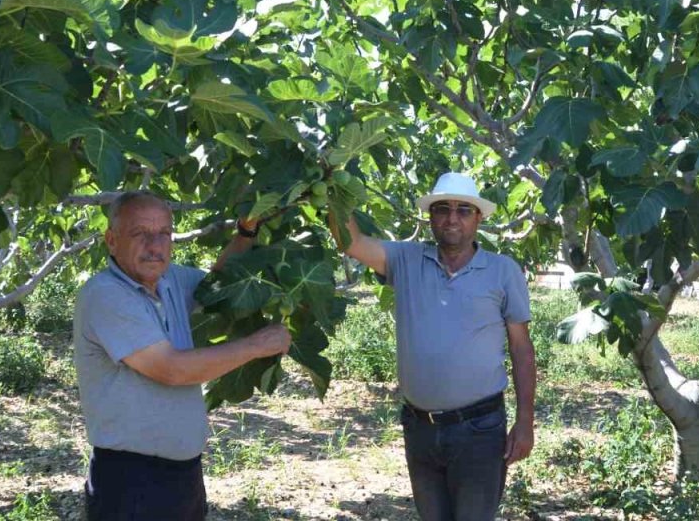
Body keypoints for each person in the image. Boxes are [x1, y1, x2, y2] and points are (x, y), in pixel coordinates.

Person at [73, 191, 290, 520]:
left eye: (164, 233)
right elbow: (171, 369)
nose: (155, 244)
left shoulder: (169, 279)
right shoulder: (106, 296)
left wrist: (246, 232)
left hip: (182, 476)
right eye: (140, 233)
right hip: (131, 483)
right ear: (111, 240)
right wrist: (256, 345)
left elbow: (218, 284)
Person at [334, 172, 537, 521]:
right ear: (431, 216)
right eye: (443, 209)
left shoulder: (503, 271)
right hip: (420, 427)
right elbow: (350, 243)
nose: (452, 218)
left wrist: (525, 420)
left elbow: (521, 348)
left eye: (463, 210)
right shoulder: (406, 260)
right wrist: (332, 186)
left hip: (480, 428)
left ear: (479, 218)